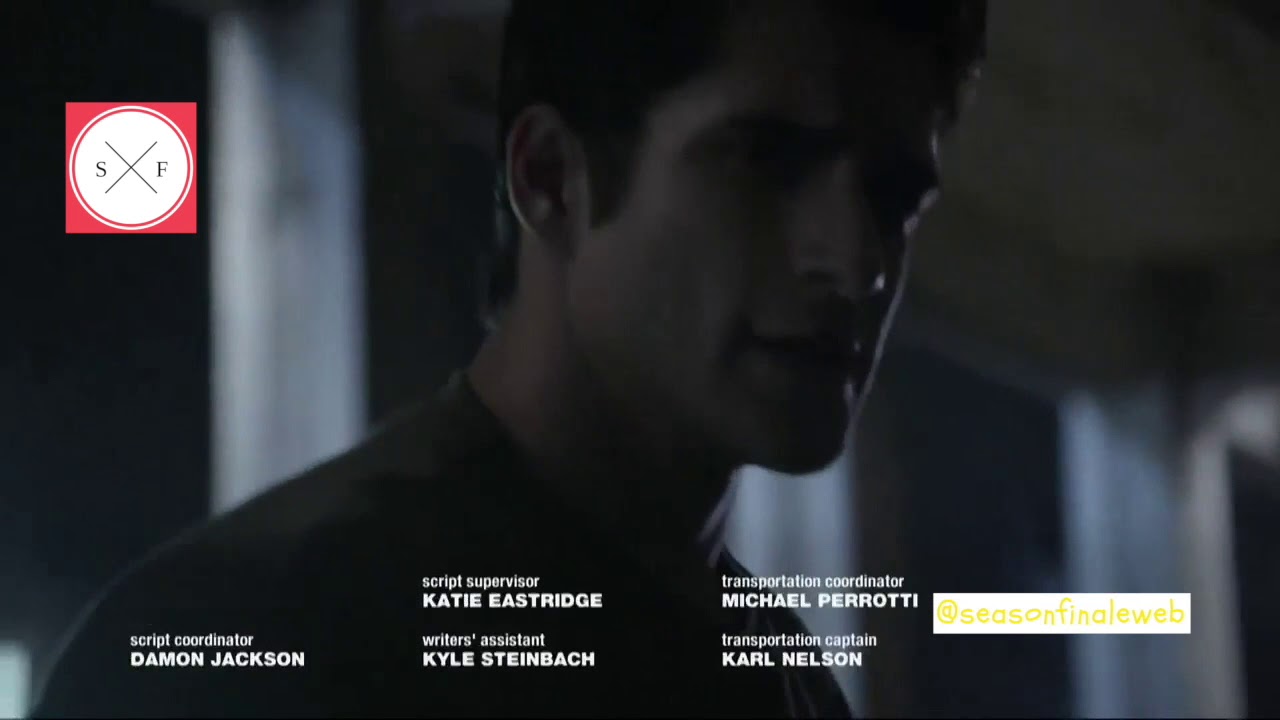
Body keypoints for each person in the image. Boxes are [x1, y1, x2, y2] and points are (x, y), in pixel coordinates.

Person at [31, 1, 985, 717]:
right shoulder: (248, 635)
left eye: (894, 197)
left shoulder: (784, 679)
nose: (858, 260)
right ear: (551, 179)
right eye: (766, 162)